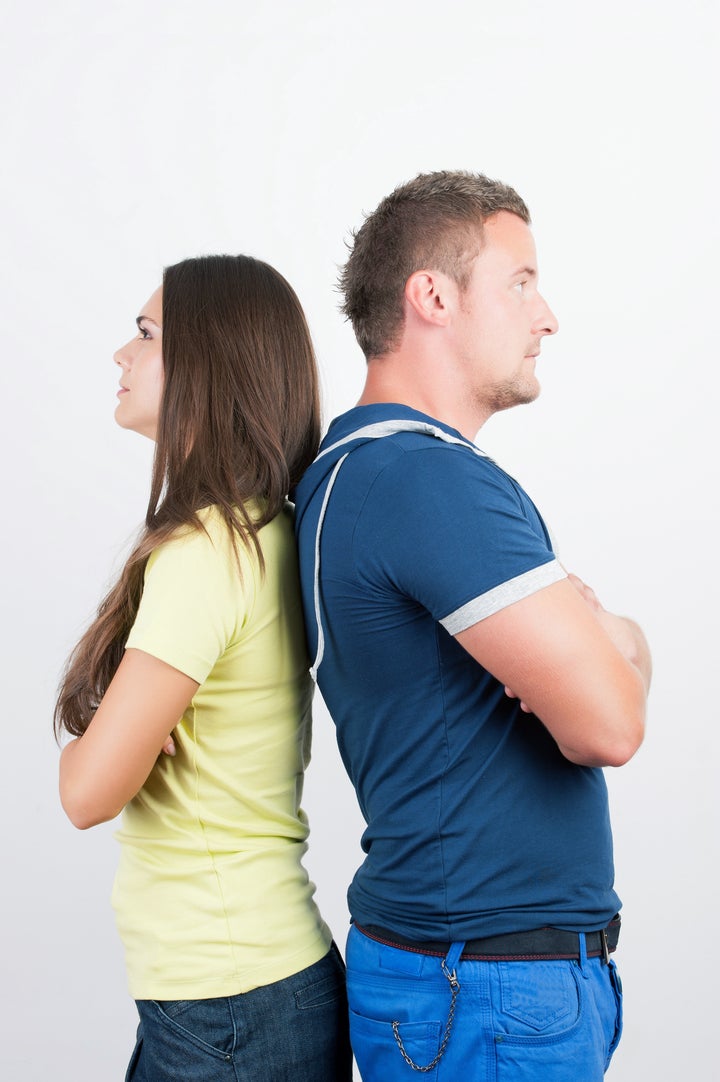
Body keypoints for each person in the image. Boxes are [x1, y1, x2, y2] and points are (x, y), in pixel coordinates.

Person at [293, 171, 652, 1080]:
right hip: (488, 993)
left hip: (466, 981)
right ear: (433, 297)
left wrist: (592, 637)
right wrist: (616, 632)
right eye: (521, 282)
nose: (548, 317)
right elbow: (610, 723)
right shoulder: (427, 482)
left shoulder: (353, 468)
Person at [55, 254, 352, 1082]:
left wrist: (100, 738)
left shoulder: (203, 554)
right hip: (246, 992)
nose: (121, 354)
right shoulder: (265, 528)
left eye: (146, 334)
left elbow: (85, 793)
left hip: (229, 1006)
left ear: (209, 364)